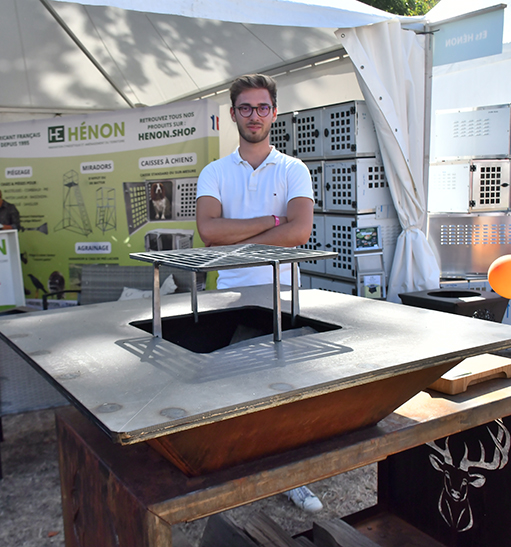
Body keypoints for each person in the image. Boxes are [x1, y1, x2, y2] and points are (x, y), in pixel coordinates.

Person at [195, 74, 320, 512]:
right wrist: (270, 222)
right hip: (227, 296)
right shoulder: (214, 172)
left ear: (274, 112)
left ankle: (294, 478)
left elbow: (300, 231)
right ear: (233, 114)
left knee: (287, 393)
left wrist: (239, 236)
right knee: (230, 390)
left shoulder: (292, 169)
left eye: (262, 107)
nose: (254, 116)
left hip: (280, 292)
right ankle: (237, 476)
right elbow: (208, 230)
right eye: (245, 108)